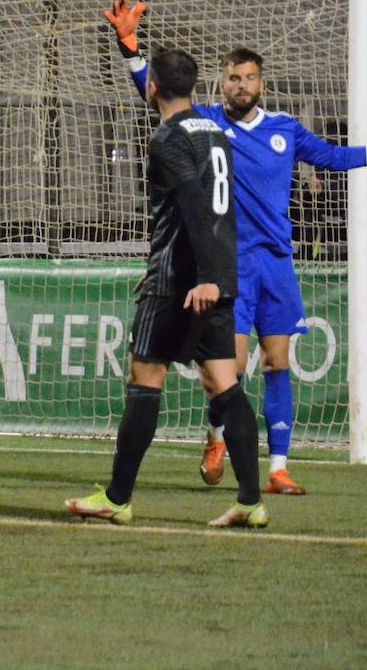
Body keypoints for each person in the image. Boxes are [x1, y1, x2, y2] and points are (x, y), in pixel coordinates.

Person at [105, 0, 367, 495]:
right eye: (232, 78)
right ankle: (217, 436)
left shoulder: (284, 129)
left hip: (277, 262)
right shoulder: (208, 123)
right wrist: (130, 50)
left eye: (248, 78)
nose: (241, 86)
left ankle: (278, 468)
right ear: (220, 83)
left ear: (260, 84)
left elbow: (332, 157)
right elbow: (156, 94)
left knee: (278, 362)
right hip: (230, 264)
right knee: (230, 368)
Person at [65, 47, 268, 528]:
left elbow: (196, 205)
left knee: (144, 377)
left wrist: (202, 278)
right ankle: (250, 501)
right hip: (220, 275)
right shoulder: (215, 131)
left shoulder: (165, 139)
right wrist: (219, 278)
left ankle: (116, 498)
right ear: (196, 88)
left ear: (153, 88)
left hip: (180, 281)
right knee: (224, 383)